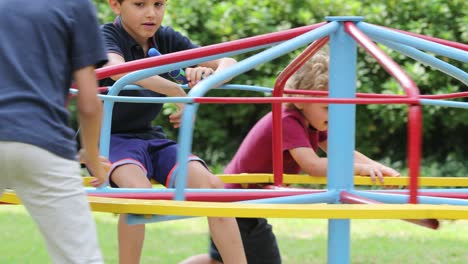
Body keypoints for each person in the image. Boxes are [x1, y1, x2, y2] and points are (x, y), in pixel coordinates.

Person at [185, 50, 401, 264]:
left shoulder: (313, 122)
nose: (334, 114)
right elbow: (313, 166)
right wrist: (359, 169)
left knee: (219, 260)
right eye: (327, 107)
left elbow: (342, 151)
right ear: (300, 100)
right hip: (237, 204)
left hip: (237, 202)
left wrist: (377, 167)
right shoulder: (287, 120)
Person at [99, 1, 246, 263]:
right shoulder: (107, 35)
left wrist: (205, 76)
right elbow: (117, 71)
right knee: (138, 194)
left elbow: (228, 60)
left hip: (150, 138)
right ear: (115, 5)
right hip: (111, 139)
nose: (151, 13)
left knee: (213, 188)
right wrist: (175, 90)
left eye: (159, 4)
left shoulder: (166, 38)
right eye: (140, 4)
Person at [0, 1, 109, 263]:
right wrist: (92, 155)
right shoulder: (75, 5)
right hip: (42, 139)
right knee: (80, 258)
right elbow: (89, 104)